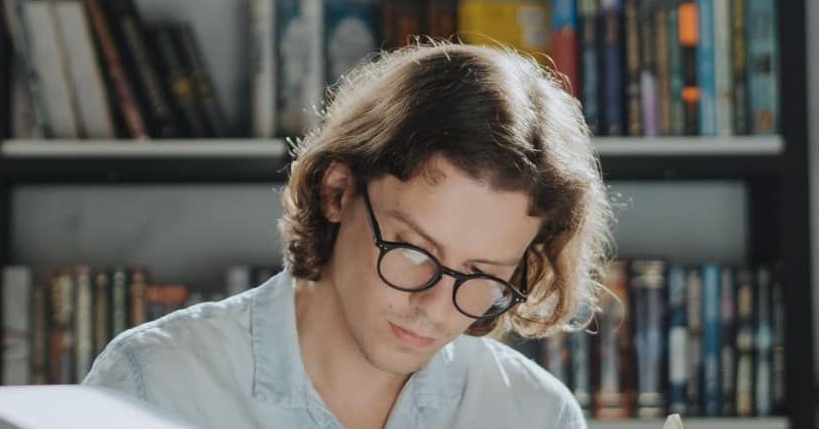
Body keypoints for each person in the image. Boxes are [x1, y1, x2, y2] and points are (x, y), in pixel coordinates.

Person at [84, 42, 613, 428]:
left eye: (482, 275)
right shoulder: (153, 384)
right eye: (413, 250)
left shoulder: (534, 415)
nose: (434, 305)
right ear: (337, 192)